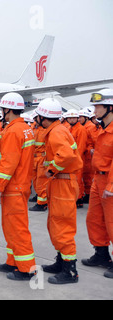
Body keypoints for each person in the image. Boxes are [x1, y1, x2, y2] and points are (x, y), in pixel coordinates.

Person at [35, 98, 83, 284]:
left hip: (63, 183)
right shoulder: (57, 129)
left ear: (43, 116)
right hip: (61, 183)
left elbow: (66, 154)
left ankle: (70, 271)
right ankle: (61, 262)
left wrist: (50, 169)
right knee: (56, 224)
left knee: (62, 226)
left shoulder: (55, 132)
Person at [0, 92, 37, 281]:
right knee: (11, 227)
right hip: (22, 184)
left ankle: (27, 268)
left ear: (8, 109)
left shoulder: (12, 131)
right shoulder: (26, 128)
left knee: (17, 228)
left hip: (13, 187)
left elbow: (8, 164)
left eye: (3, 109)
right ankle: (13, 261)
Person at [82, 89, 113, 279]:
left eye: (98, 106)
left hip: (110, 181)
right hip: (98, 179)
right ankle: (101, 255)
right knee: (94, 219)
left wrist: (111, 186)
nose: (95, 110)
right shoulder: (102, 129)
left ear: (110, 107)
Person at [66, 109, 88, 208]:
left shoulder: (81, 129)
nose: (71, 120)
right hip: (72, 158)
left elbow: (81, 146)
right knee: (75, 180)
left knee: (78, 180)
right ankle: (77, 198)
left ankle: (78, 199)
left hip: (77, 158)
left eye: (73, 118)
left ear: (77, 118)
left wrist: (74, 158)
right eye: (69, 118)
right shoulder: (70, 129)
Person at [29, 112, 49, 212]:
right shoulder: (33, 128)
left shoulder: (45, 130)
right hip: (34, 158)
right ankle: (39, 197)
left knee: (42, 181)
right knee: (36, 180)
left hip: (42, 158)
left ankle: (42, 203)